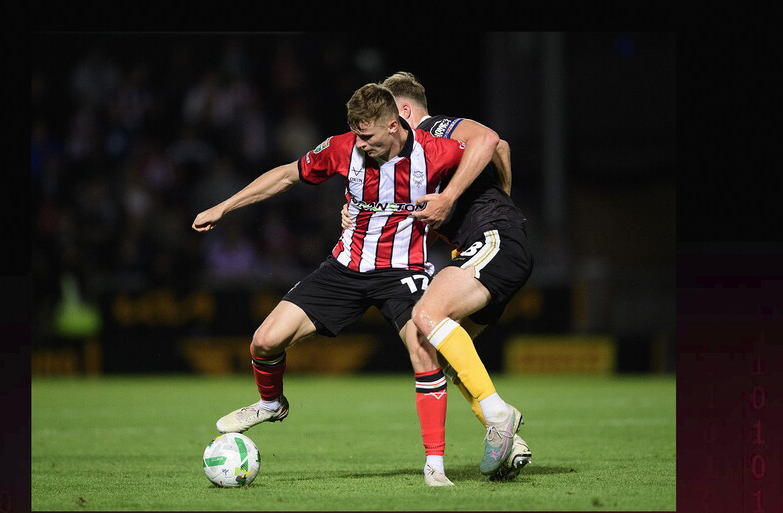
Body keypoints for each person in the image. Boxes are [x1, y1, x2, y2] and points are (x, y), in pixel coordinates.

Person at [193, 83, 475, 486]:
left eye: (368, 135)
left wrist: (462, 201)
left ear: (394, 125)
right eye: (356, 134)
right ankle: (271, 403)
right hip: (344, 269)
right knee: (264, 341)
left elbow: (490, 146)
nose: (360, 143)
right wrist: (224, 206)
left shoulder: (435, 152)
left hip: (403, 272)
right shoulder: (344, 148)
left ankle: (435, 466)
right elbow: (286, 176)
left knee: (423, 350)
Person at [342, 72, 534, 480]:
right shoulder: (410, 163)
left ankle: (500, 416)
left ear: (404, 112)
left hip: (494, 239)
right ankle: (509, 443)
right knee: (441, 353)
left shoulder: (432, 129)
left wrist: (465, 199)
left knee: (426, 315)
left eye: (388, 117)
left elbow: (493, 140)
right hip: (485, 247)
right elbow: (503, 150)